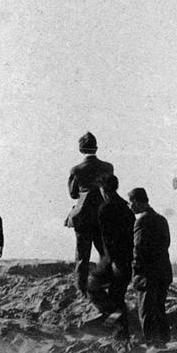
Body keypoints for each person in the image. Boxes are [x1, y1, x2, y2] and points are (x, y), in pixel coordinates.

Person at [85, 175, 136, 337]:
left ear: (104, 189)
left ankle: (113, 322)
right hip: (127, 259)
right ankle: (118, 330)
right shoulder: (127, 208)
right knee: (117, 296)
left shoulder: (106, 208)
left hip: (113, 260)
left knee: (92, 285)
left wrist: (110, 260)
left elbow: (107, 240)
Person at [66, 132, 113, 293]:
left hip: (83, 217)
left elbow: (73, 194)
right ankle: (105, 285)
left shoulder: (76, 170)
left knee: (82, 256)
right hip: (104, 216)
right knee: (105, 253)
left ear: (81, 149)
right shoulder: (108, 167)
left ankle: (82, 290)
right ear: (96, 148)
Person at [130, 187, 171, 346]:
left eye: (131, 202)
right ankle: (164, 343)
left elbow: (138, 249)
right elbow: (166, 244)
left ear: (136, 201)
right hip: (163, 272)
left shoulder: (141, 221)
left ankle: (152, 345)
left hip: (147, 274)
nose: (130, 206)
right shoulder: (162, 219)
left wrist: (135, 272)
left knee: (145, 311)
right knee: (160, 309)